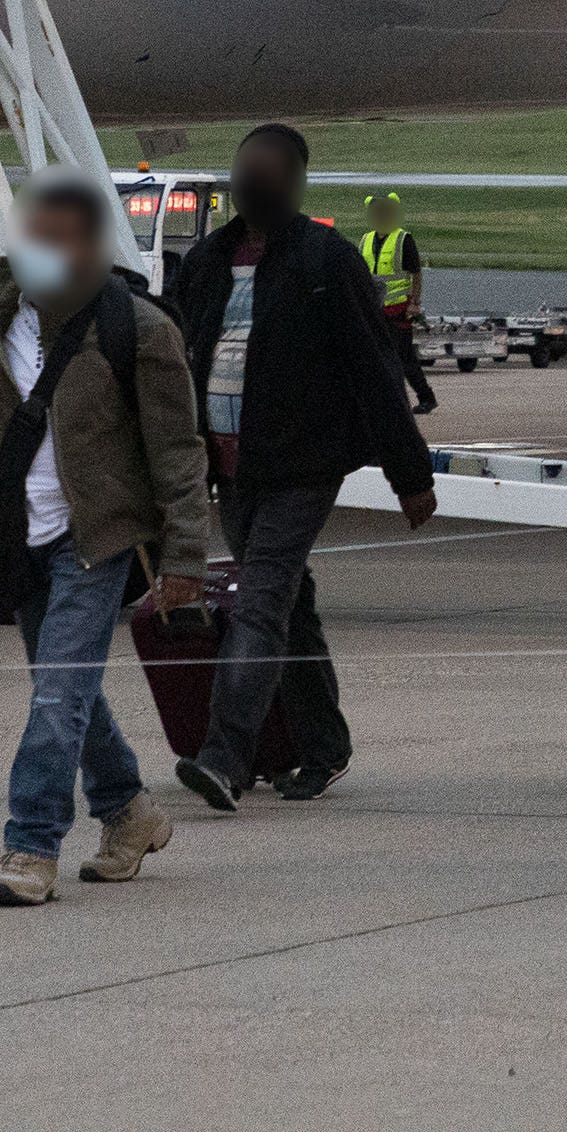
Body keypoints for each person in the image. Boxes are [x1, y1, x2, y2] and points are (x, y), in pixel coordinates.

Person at [0, 173, 212, 907]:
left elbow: (178, 453)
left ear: (92, 247)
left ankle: (30, 844)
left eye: (57, 240)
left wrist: (184, 558)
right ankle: (129, 810)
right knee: (67, 688)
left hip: (97, 538)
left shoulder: (141, 331)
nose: (39, 252)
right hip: (18, 534)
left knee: (58, 694)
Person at [163, 124, 439, 810]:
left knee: (259, 603)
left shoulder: (326, 261)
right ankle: (324, 746)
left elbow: (375, 369)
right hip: (234, 469)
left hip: (302, 467)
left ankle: (226, 757)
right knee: (290, 602)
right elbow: (178, 357)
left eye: (267, 168)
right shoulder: (207, 261)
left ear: (293, 181)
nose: (251, 179)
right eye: (244, 167)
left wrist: (411, 476)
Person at [356, 190, 439, 416]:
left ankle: (425, 397)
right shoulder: (366, 240)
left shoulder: (403, 239)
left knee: (404, 359)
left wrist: (415, 303)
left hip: (398, 309)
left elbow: (416, 273)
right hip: (374, 310)